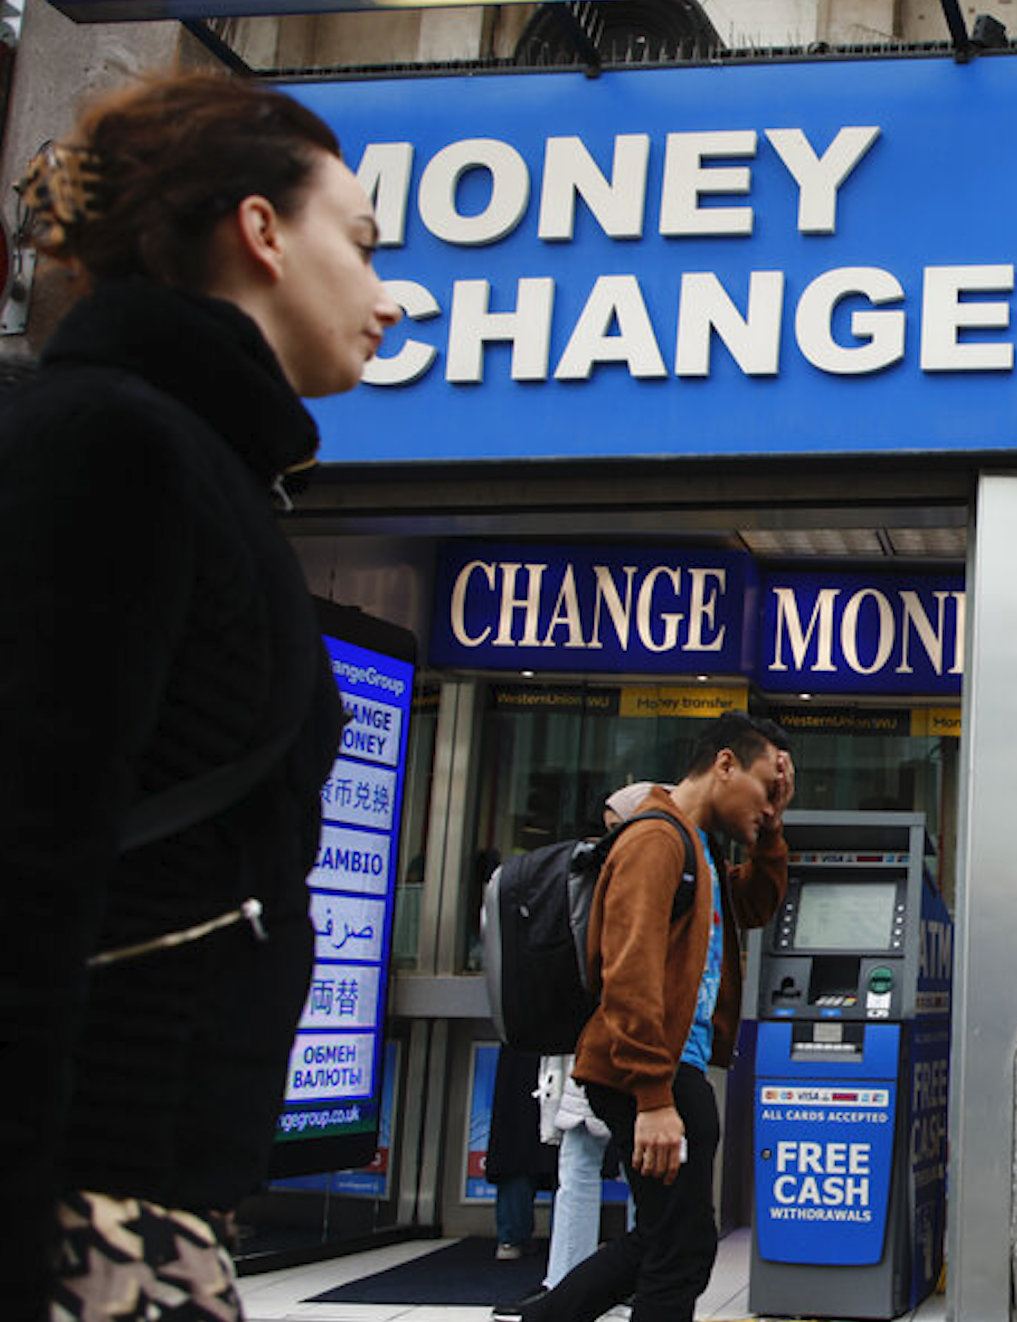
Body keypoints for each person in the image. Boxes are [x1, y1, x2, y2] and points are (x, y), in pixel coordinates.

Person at [0, 73, 400, 1321]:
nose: (391, 294)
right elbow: (27, 850)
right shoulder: (110, 444)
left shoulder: (199, 465)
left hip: (146, 1202)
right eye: (363, 243)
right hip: (73, 1217)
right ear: (261, 230)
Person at [501, 715, 794, 1322]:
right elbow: (628, 972)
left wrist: (772, 830)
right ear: (724, 764)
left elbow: (756, 905)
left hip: (669, 1070)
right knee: (679, 1253)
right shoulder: (657, 840)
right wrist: (654, 1099)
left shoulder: (698, 845)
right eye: (767, 789)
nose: (769, 805)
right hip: (652, 1073)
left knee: (666, 1242)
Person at [537, 782, 663, 1295]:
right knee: (633, 1173)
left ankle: (568, 1283)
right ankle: (609, 1284)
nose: (616, 836)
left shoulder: (598, 870)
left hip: (595, 1043)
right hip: (612, 1042)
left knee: (586, 1169)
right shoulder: (635, 870)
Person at [486, 1047, 556, 1261]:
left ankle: (511, 1239)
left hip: (521, 1047)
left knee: (515, 1144)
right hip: (567, 1050)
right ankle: (570, 1239)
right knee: (570, 1154)